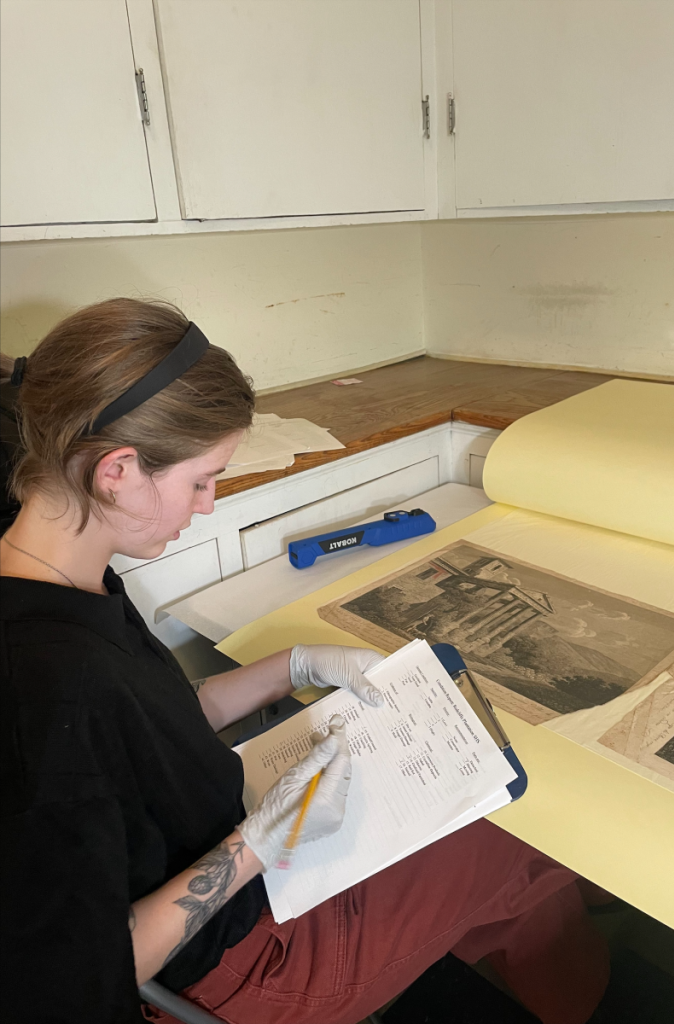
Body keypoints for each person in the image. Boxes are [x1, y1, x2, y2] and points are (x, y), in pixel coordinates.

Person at [0, 299, 609, 1024]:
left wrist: (290, 666)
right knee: (521, 852)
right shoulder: (44, 691)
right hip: (242, 963)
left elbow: (141, 737)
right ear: (118, 469)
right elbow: (81, 976)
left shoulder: (65, 573)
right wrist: (257, 846)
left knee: (496, 873)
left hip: (243, 864)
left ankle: (467, 943)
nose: (207, 503)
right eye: (202, 480)